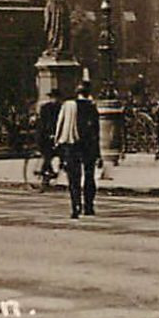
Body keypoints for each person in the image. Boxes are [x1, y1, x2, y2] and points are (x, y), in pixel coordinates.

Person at [53, 80, 100, 218]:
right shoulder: (92, 107)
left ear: (77, 93)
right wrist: (98, 152)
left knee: (74, 178)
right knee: (89, 176)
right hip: (88, 145)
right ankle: (89, 206)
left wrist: (58, 142)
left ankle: (76, 206)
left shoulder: (68, 105)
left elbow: (60, 125)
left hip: (71, 144)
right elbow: (96, 132)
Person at [36, 87, 62, 183]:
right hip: (44, 136)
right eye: (52, 97)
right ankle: (45, 173)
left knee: (58, 154)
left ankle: (49, 173)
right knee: (48, 155)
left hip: (54, 135)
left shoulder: (60, 107)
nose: (54, 99)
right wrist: (50, 134)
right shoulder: (46, 108)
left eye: (55, 97)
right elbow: (44, 123)